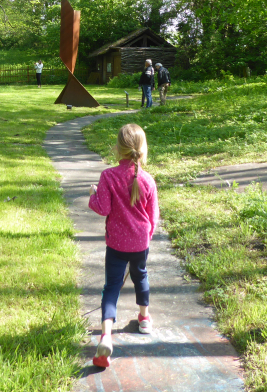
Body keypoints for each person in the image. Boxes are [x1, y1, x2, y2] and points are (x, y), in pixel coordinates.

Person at [88, 123, 159, 369]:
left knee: (111, 287)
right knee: (141, 277)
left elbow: (103, 208)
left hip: (116, 244)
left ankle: (106, 335)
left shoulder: (108, 176)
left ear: (118, 149)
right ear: (142, 149)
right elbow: (153, 216)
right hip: (140, 242)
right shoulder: (148, 180)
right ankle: (144, 318)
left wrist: (93, 195)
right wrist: (147, 236)